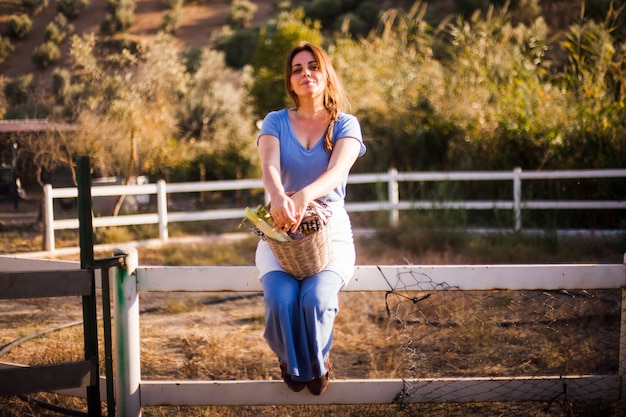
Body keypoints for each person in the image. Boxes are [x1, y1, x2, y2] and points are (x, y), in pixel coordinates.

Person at [255, 41, 366, 396]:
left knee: (315, 299)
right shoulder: (275, 121)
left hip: (329, 232)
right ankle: (289, 361)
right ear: (290, 81)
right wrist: (279, 198)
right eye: (297, 68)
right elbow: (269, 165)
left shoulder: (345, 124)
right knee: (280, 298)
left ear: (325, 73)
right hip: (281, 229)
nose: (306, 73)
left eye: (313, 66)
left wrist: (303, 195)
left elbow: (338, 172)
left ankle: (319, 361)